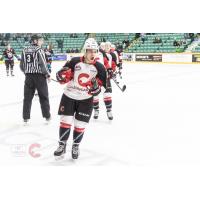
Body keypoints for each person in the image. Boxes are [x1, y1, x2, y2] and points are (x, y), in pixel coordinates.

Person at [54, 38, 107, 159]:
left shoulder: (100, 67)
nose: (92, 53)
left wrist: (97, 89)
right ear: (85, 51)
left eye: (94, 51)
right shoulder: (74, 61)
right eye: (89, 51)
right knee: (65, 121)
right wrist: (61, 76)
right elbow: (63, 74)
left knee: (80, 124)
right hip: (69, 95)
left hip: (86, 100)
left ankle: (75, 146)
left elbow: (104, 87)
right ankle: (62, 145)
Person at [19, 34, 51, 124]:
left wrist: (27, 72)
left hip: (28, 77)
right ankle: (47, 116)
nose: (42, 42)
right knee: (43, 97)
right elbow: (43, 64)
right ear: (35, 41)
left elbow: (21, 65)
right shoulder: (39, 50)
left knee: (27, 98)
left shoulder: (24, 50)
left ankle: (25, 118)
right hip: (39, 77)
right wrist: (47, 75)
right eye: (40, 40)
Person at [93, 41, 117, 120]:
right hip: (94, 77)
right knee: (95, 95)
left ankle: (109, 110)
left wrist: (109, 69)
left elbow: (106, 63)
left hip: (104, 76)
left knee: (107, 94)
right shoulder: (88, 55)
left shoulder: (101, 53)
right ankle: (96, 110)